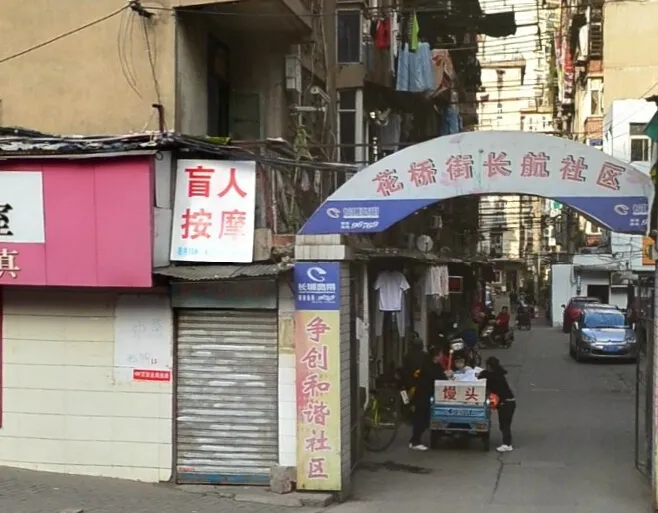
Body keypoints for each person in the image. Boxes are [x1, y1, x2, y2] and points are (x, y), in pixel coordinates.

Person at [409, 346, 451, 451]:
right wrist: (445, 375)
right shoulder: (428, 366)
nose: (442, 356)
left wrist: (445, 374)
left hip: (428, 396)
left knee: (424, 419)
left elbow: (440, 374)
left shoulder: (435, 365)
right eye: (440, 354)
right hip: (423, 396)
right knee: (421, 419)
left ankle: (414, 440)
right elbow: (437, 377)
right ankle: (415, 442)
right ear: (436, 356)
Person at [478, 356, 516, 452]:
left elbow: (483, 377)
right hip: (510, 402)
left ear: (489, 366)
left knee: (504, 424)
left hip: (505, 403)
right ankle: (507, 442)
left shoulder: (492, 377)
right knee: (506, 424)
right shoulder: (499, 374)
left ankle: (507, 444)